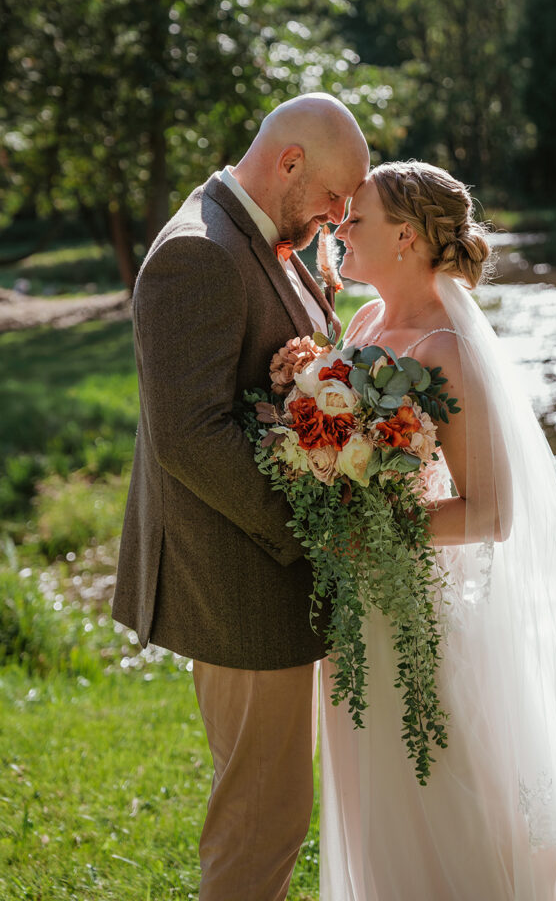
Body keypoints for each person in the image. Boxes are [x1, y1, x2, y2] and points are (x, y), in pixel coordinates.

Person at [323, 160, 556, 900]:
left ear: (405, 237)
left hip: (421, 605)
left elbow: (491, 513)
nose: (339, 231)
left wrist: (374, 530)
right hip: (357, 604)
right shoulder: (364, 323)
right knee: (370, 794)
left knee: (447, 791)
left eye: (357, 220)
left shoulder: (448, 351)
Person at [111, 93, 370, 901]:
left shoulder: (264, 235)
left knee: (273, 809)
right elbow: (189, 436)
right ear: (288, 162)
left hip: (265, 578)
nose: (339, 217)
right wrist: (315, 530)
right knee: (261, 820)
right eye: (333, 198)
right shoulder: (197, 252)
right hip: (240, 583)